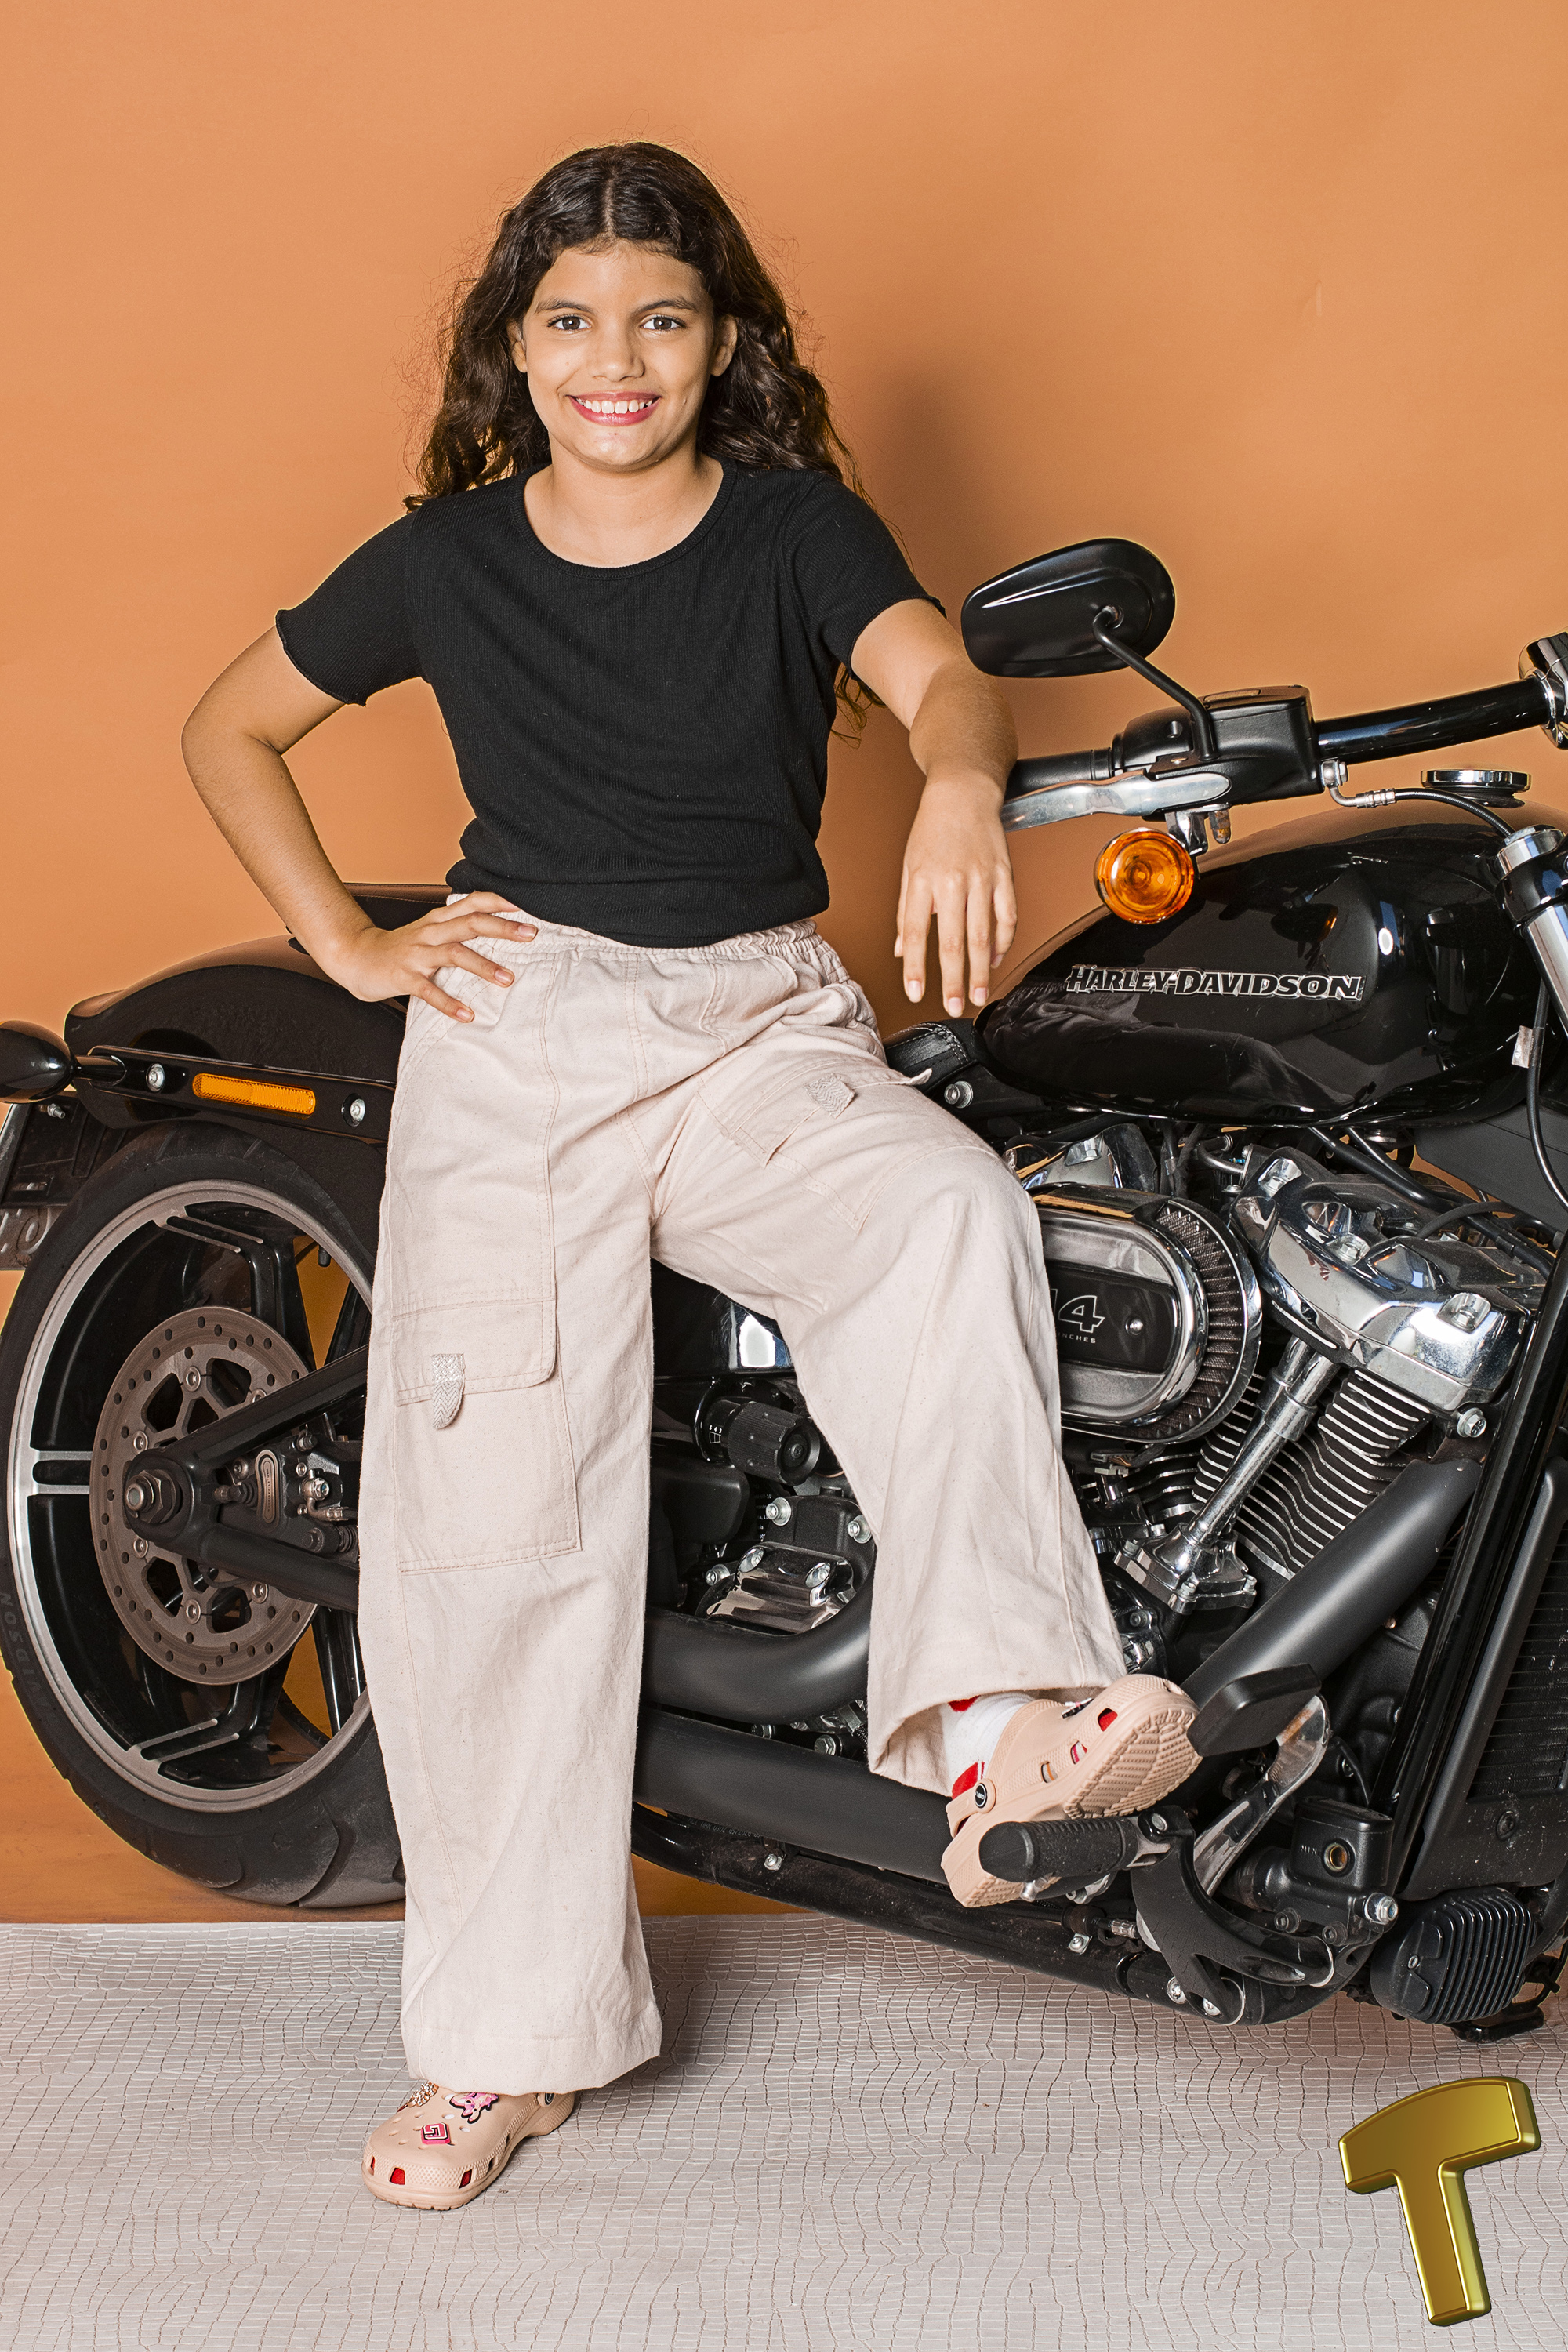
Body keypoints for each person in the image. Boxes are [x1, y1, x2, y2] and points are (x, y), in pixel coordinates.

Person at [181, 142, 1196, 2212]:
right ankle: (499, 2054)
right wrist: (348, 940)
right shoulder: (444, 560)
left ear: (722, 340)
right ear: (516, 349)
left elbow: (937, 675)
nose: (614, 359)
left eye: (659, 317)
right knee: (499, 1525)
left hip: (755, 1021)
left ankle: (998, 1741)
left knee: (946, 1219)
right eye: (570, 322)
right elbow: (230, 729)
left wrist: (961, 789)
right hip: (521, 1034)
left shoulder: (797, 529)